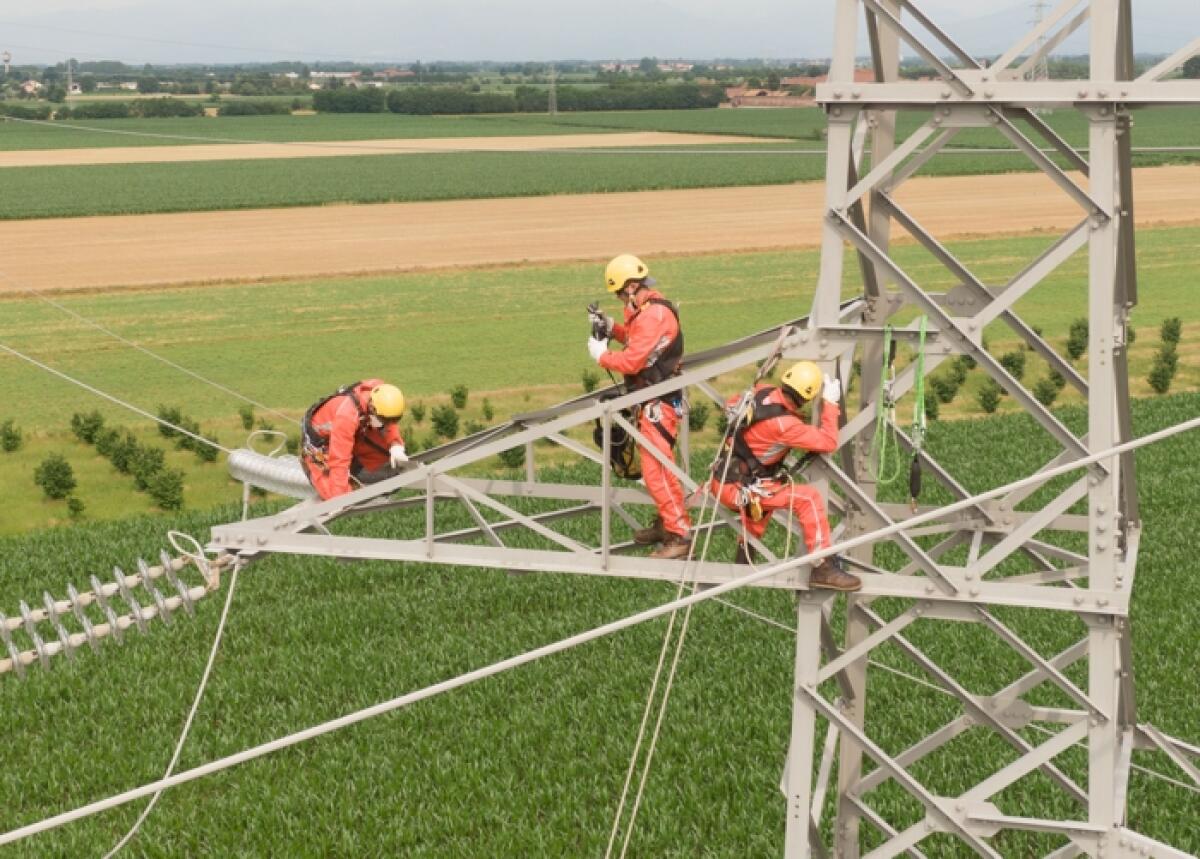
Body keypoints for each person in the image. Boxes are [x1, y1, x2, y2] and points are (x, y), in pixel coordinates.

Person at [709, 361, 861, 591]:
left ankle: (745, 555)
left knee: (767, 490)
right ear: (807, 397)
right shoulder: (786, 425)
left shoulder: (763, 392)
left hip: (727, 478)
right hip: (737, 488)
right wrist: (830, 404)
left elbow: (732, 404)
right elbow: (828, 442)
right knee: (808, 498)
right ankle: (823, 565)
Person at [587, 254, 692, 560]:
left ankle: (679, 534)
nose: (620, 298)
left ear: (632, 287)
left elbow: (634, 360)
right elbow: (637, 340)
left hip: (659, 401)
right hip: (653, 398)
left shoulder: (653, 315)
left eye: (620, 292)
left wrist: (601, 356)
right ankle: (667, 522)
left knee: (655, 470)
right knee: (657, 468)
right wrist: (611, 327)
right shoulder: (646, 312)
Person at [301, 379, 409, 500]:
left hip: (356, 432)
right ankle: (315, 470)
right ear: (372, 408)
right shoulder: (347, 416)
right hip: (321, 446)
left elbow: (389, 422)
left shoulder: (381, 397)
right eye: (383, 420)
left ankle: (356, 471)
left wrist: (395, 445)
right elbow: (339, 458)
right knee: (335, 495)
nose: (386, 424)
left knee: (384, 456)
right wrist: (341, 498)